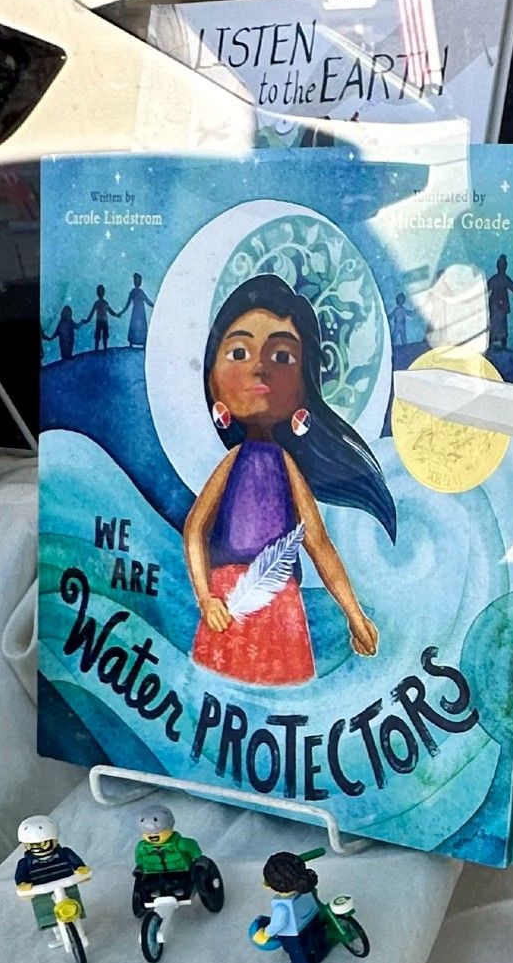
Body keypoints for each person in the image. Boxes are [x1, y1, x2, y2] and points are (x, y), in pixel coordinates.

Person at [183, 273, 395, 686]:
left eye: (281, 356)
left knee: (284, 708)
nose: (260, 366)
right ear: (213, 382)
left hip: (281, 611)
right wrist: (206, 598)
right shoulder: (232, 462)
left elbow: (317, 543)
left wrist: (354, 614)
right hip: (230, 606)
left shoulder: (286, 467)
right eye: (240, 351)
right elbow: (195, 531)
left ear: (304, 388)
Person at [249, 850, 331, 963]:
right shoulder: (305, 889)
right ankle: (322, 949)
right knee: (317, 938)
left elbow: (278, 924)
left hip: (294, 933)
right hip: (314, 919)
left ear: (269, 884)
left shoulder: (282, 905)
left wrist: (265, 934)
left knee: (297, 951)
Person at [13, 813, 90, 935]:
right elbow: (21, 874)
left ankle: (77, 926)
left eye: (43, 843)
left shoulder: (64, 853)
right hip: (42, 890)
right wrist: (23, 884)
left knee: (74, 904)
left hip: (66, 884)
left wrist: (80, 868)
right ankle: (57, 932)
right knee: (47, 911)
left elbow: (75, 862)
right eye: (33, 845)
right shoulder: (25, 863)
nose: (38, 847)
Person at [130, 803, 204, 915]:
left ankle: (177, 892)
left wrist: (198, 860)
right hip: (153, 873)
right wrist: (140, 868)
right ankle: (152, 896)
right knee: (147, 886)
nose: (153, 836)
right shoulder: (142, 848)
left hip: (181, 872)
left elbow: (194, 849)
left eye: (158, 832)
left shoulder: (181, 843)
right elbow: (139, 859)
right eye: (149, 834)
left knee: (179, 884)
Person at [123, 272, 151, 350]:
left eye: (139, 280)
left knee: (141, 327)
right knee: (135, 326)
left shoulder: (140, 292)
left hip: (140, 312)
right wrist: (121, 312)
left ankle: (142, 343)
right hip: (137, 312)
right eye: (137, 280)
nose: (138, 282)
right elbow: (127, 304)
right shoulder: (133, 292)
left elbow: (148, 302)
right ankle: (133, 343)